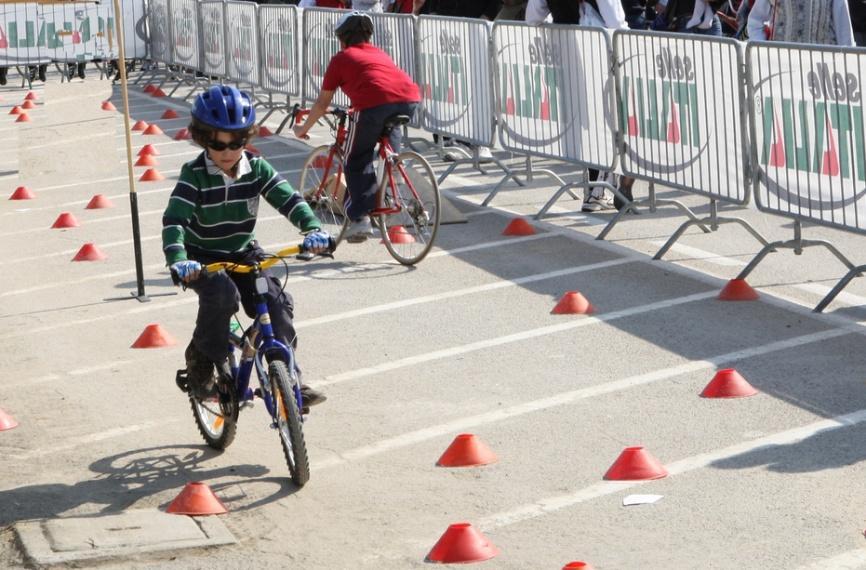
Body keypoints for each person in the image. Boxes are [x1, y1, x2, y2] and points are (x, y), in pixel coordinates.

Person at [162, 84, 330, 408]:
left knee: (277, 301)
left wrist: (313, 228)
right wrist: (179, 259)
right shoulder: (193, 175)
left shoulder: (257, 168)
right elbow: (175, 222)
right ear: (201, 138)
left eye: (236, 142)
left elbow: (289, 199)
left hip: (243, 252)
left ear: (247, 138)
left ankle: (288, 379)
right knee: (223, 297)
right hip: (203, 258)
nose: (227, 151)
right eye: (217, 143)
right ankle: (200, 363)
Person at [293, 12, 421, 242]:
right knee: (386, 140)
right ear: (368, 37)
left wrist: (303, 128)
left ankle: (361, 218)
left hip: (373, 105)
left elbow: (322, 104)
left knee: (356, 158)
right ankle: (393, 172)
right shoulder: (379, 54)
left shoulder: (341, 58)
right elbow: (381, 85)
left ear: (342, 39)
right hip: (409, 100)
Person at [747, 0, 855, 45]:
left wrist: (848, 62)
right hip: (782, 67)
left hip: (821, 71)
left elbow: (844, 32)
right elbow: (755, 21)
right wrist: (762, 51)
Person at [650, 0, 724, 36]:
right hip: (686, 21)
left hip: (711, 20)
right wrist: (656, 3)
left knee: (714, 60)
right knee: (689, 61)